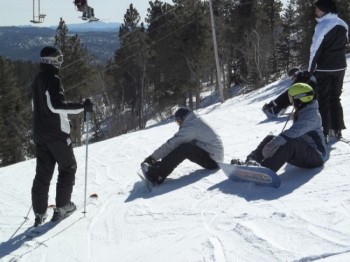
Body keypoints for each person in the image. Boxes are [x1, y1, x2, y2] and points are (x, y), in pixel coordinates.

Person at [31, 46, 94, 227]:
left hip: (41, 133)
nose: (60, 62)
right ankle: (63, 207)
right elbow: (57, 106)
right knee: (68, 167)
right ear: (51, 61)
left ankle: (39, 212)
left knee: (43, 174)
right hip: (56, 134)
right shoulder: (53, 79)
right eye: (58, 59)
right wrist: (83, 106)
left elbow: (35, 107)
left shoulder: (37, 79)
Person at [232, 83, 327, 174]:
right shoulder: (305, 110)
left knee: (289, 143)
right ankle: (251, 161)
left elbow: (292, 133)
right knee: (270, 137)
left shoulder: (311, 116)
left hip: (316, 157)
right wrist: (273, 142)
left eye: (291, 99)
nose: (291, 102)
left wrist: (273, 144)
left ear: (300, 99)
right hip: (305, 150)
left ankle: (265, 169)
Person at [141, 107, 224, 185]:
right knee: (182, 146)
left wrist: (152, 158)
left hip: (214, 160)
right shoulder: (194, 121)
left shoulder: (191, 127)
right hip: (212, 155)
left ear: (182, 118)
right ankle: (160, 166)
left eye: (178, 121)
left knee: (184, 148)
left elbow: (172, 143)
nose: (178, 124)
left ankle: (158, 175)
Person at [309, 0, 348, 141]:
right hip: (340, 67)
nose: (316, 12)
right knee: (335, 98)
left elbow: (315, 50)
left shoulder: (322, 26)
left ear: (325, 10)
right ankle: (336, 130)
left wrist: (310, 70)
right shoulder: (343, 24)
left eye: (318, 9)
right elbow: (345, 43)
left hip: (325, 68)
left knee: (323, 100)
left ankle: (324, 132)